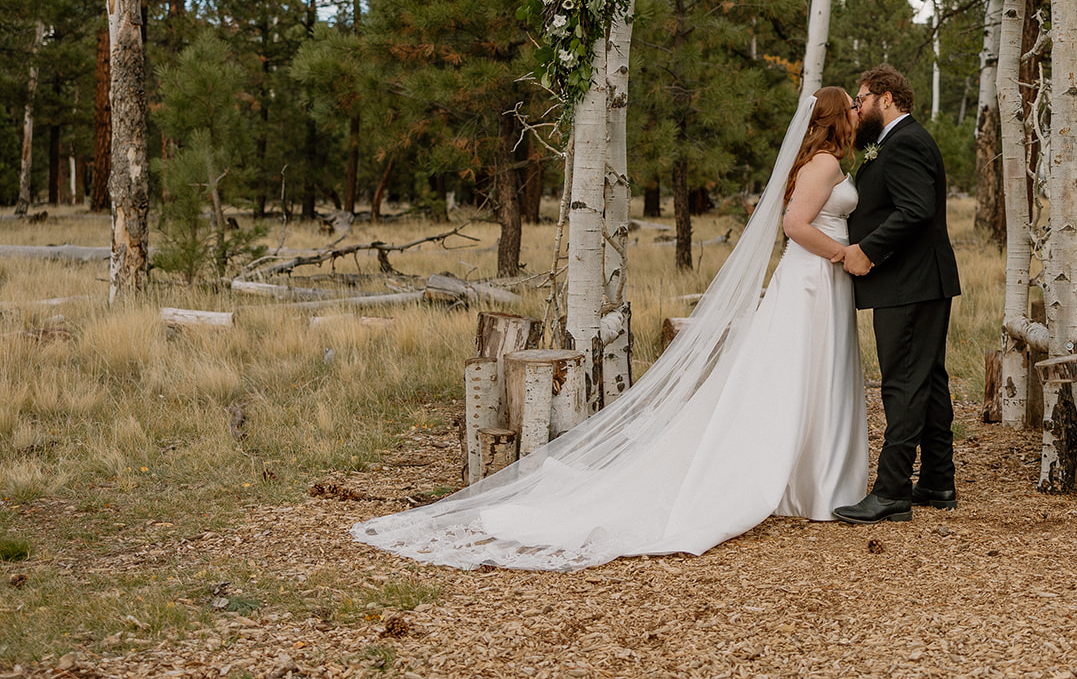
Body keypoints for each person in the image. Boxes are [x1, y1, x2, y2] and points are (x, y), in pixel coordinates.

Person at [351, 87, 868, 571]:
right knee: (805, 370)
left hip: (819, 280)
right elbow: (795, 227)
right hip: (812, 282)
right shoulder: (823, 164)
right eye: (849, 108)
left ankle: (811, 478)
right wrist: (844, 253)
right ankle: (807, 483)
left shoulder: (822, 163)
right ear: (832, 120)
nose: (855, 115)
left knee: (806, 374)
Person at [833, 65, 962, 525]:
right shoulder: (893, 141)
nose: (857, 107)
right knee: (926, 379)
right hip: (916, 280)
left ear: (886, 98)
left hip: (911, 280)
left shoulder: (905, 141)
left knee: (903, 383)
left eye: (861, 99)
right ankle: (937, 480)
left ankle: (891, 491)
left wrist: (868, 249)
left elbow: (916, 210)